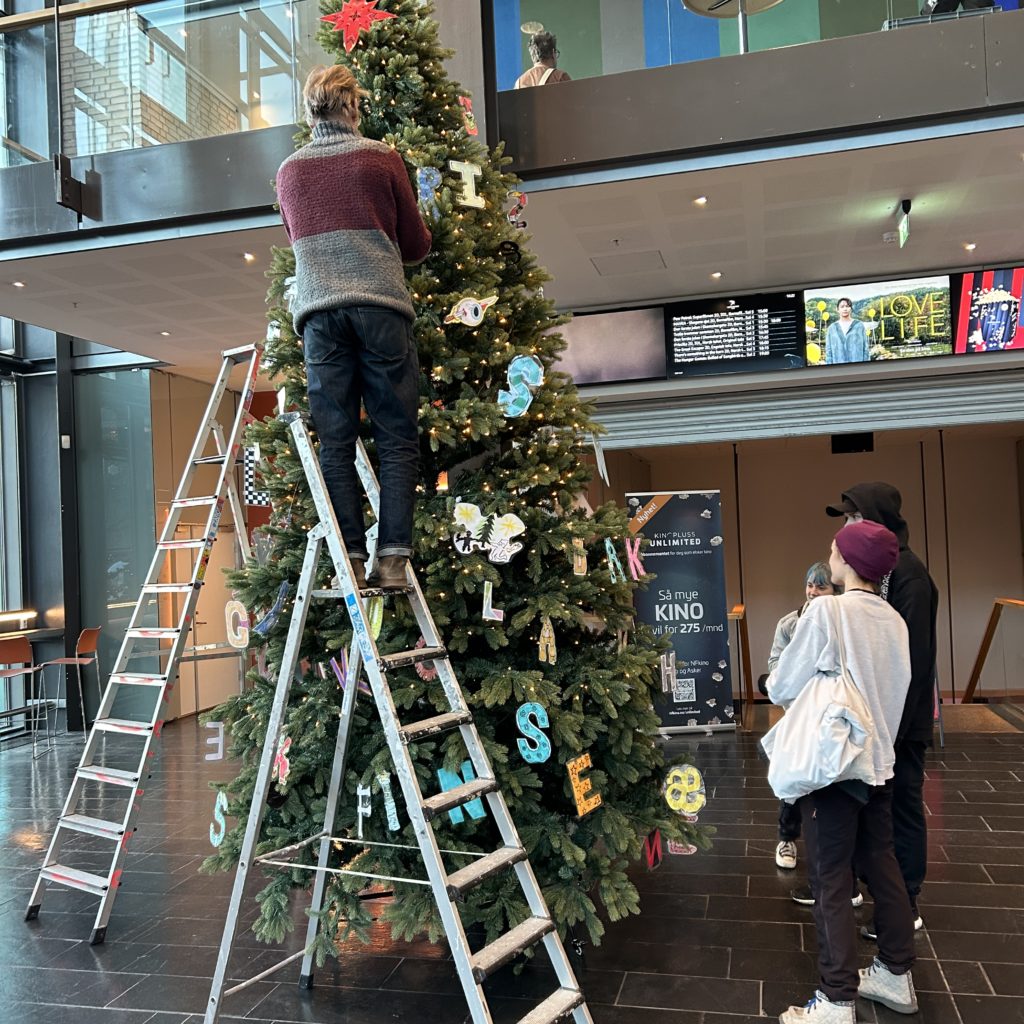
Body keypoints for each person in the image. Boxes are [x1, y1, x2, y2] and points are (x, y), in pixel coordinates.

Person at [275, 65, 431, 590]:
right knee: (395, 437)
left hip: (320, 315)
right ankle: (390, 559)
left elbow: (297, 237)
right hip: (380, 306)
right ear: (351, 106)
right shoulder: (381, 158)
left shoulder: (289, 172)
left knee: (336, 440)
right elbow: (415, 245)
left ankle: (350, 550)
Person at [769, 521, 918, 1023]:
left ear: (849, 562)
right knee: (881, 864)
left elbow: (783, 684)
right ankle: (896, 975)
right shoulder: (894, 620)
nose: (829, 552)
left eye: (834, 548)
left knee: (830, 876)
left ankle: (835, 1001)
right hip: (879, 763)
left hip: (835, 767)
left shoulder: (827, 611)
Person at [825, 483, 938, 936]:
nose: (846, 525)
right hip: (870, 720)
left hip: (900, 723)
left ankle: (905, 904)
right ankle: (861, 886)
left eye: (853, 516)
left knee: (902, 809)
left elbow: (914, 660)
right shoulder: (876, 573)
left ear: (875, 518)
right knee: (866, 808)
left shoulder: (909, 574)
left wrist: (891, 726)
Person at [764, 562, 838, 871]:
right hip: (796, 714)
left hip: (831, 715)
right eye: (810, 585)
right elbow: (776, 664)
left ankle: (831, 850)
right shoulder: (789, 624)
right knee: (792, 780)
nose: (814, 591)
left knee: (829, 786)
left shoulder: (841, 622)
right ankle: (787, 839)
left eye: (822, 586)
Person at [824, 298, 870, 365]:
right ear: (837, 309)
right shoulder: (832, 328)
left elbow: (865, 348)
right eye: (842, 307)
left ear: (851, 308)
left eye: (847, 306)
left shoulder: (859, 325)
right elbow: (829, 351)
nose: (845, 309)